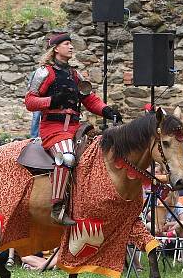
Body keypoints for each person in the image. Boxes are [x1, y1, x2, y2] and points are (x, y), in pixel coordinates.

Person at [24, 32, 120, 225]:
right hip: (53, 128)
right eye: (67, 44)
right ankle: (57, 208)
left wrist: (108, 111)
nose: (71, 47)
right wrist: (52, 100)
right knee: (66, 157)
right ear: (56, 48)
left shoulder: (75, 75)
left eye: (71, 44)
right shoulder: (44, 72)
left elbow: (90, 100)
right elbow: (30, 101)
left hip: (76, 128)